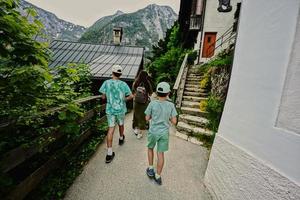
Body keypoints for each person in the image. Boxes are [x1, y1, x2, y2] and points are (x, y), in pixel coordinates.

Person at [144, 82, 178, 185]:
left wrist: (152, 117)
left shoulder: (152, 103)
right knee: (160, 154)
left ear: (157, 92)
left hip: (153, 131)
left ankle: (150, 168)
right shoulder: (171, 105)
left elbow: (147, 118)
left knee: (150, 148)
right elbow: (174, 122)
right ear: (168, 93)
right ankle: (158, 176)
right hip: (164, 133)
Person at [99, 65, 134, 163]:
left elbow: (102, 97)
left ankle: (109, 154)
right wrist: (124, 99)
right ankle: (121, 137)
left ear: (112, 72)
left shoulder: (106, 83)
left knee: (111, 129)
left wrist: (107, 96)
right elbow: (131, 96)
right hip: (121, 109)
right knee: (121, 124)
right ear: (120, 74)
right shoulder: (123, 84)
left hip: (110, 110)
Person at [132, 70, 153, 139]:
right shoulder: (147, 83)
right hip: (144, 102)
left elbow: (133, 91)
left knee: (136, 115)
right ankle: (140, 133)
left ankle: (135, 128)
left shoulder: (136, 82)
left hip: (136, 102)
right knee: (143, 116)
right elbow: (151, 93)